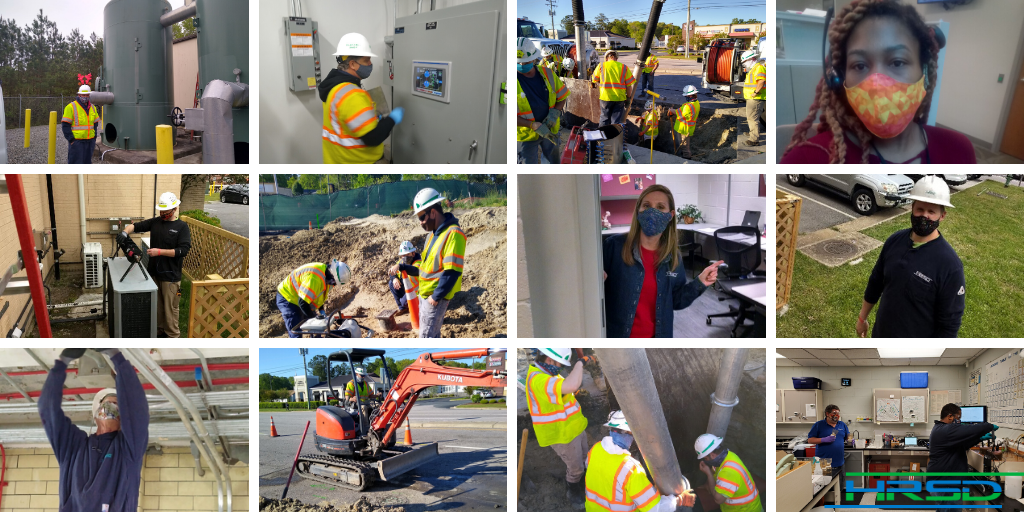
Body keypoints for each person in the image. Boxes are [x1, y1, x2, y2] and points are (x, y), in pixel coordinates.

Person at [781, 0, 974, 164]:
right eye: (859, 65)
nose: (877, 85)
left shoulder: (958, 151)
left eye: (897, 62)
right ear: (838, 80)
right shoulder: (805, 159)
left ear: (924, 72)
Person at [603, 185, 723, 338]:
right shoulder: (614, 247)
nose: (653, 212)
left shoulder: (673, 257)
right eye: (646, 206)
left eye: (660, 207)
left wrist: (700, 282)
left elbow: (676, 301)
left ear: (670, 215)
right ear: (638, 211)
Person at [39, 349, 148, 512]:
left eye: (116, 405)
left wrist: (116, 357)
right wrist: (62, 362)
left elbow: (137, 410)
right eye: (105, 404)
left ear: (124, 419)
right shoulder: (73, 447)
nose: (109, 408)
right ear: (96, 414)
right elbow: (47, 409)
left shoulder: (128, 450)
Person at [857, 176, 965, 338]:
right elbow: (876, 282)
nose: (924, 216)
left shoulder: (950, 265)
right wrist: (862, 318)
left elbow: (949, 325)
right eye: (920, 209)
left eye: (931, 211)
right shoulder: (894, 241)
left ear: (942, 216)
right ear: (912, 208)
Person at [388, 188, 466, 338]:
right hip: (424, 295)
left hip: (435, 297)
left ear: (433, 212)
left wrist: (435, 297)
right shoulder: (432, 235)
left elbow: (452, 271)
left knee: (426, 337)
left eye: (422, 217)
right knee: (430, 334)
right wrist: (403, 267)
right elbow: (425, 268)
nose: (420, 222)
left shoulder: (453, 234)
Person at [585, 411, 696, 512]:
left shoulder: (596, 449)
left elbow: (592, 469)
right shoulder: (631, 469)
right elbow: (654, 509)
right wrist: (678, 500)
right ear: (630, 433)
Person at [320, 33, 405, 164]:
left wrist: (370, 119)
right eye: (366, 60)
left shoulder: (334, 86)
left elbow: (346, 120)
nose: (370, 64)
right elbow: (373, 138)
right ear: (352, 64)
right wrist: (391, 119)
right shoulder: (352, 94)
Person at [526, 349, 594, 510]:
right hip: (561, 435)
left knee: (586, 459)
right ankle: (573, 491)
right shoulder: (538, 379)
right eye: (560, 364)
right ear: (550, 360)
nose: (561, 369)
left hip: (574, 427)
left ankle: (586, 484)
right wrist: (580, 363)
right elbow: (571, 384)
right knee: (575, 468)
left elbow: (566, 391)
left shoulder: (549, 374)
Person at [120, 192, 191, 338]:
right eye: (161, 211)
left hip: (170, 276)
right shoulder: (156, 222)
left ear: (175, 209)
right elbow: (136, 226)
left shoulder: (181, 227)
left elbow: (183, 251)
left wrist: (160, 252)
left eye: (166, 212)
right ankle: (159, 332)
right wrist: (125, 232)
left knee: (170, 309)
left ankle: (172, 335)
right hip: (154, 273)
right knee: (157, 307)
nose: (163, 214)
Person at [928, 403, 998, 510]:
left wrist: (980, 439)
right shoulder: (945, 430)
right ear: (950, 416)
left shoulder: (941, 429)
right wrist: (989, 426)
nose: (959, 421)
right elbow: (970, 429)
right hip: (946, 484)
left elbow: (962, 446)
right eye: (958, 418)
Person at [517, 38, 569, 164]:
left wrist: (554, 114)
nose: (522, 66)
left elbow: (562, 97)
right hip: (526, 136)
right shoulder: (507, 81)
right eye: (519, 63)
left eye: (526, 62)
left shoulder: (548, 73)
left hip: (550, 128)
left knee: (553, 162)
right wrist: (531, 125)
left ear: (534, 59)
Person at [276, 259, 352, 338]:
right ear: (333, 276)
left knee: (317, 329)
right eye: (335, 282)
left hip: (302, 299)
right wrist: (314, 320)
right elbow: (302, 303)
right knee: (296, 330)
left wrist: (322, 311)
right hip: (287, 297)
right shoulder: (314, 278)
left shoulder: (327, 277)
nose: (334, 285)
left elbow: (318, 296)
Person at [694, 434, 762, 512]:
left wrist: (708, 474)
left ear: (712, 455)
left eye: (705, 458)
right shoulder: (727, 456)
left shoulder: (728, 472)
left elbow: (718, 500)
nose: (706, 461)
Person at [807, 405, 849, 500]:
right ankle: (823, 507)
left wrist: (851, 439)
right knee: (822, 489)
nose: (836, 415)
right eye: (834, 413)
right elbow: (810, 440)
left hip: (839, 462)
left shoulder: (842, 425)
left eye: (838, 413)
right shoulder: (818, 425)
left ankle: (836, 507)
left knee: (839, 487)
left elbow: (847, 437)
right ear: (827, 414)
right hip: (823, 462)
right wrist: (823, 440)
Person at [591, 49, 636, 127]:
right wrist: (628, 98)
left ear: (606, 58)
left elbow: (594, 80)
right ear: (616, 58)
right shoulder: (624, 67)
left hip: (605, 97)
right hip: (619, 98)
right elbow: (629, 86)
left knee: (604, 118)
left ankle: (602, 137)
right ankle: (613, 138)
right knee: (615, 121)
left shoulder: (601, 65)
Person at [62, 84, 99, 164]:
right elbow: (65, 125)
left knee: (87, 163)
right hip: (77, 142)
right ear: (79, 95)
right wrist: (71, 140)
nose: (85, 97)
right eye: (83, 95)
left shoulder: (93, 107)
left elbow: (95, 124)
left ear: (89, 95)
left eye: (87, 95)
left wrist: (94, 137)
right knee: (76, 163)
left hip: (90, 141)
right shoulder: (71, 107)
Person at [741, 50, 765, 147]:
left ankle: (754, 139)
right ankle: (752, 133)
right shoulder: (754, 68)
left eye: (745, 61)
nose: (744, 64)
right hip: (753, 98)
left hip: (756, 98)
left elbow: (761, 81)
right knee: (751, 117)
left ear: (752, 59)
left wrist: (755, 92)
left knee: (752, 118)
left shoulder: (759, 68)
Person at [668, 85, 700, 158]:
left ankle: (687, 158)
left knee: (684, 146)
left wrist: (671, 110)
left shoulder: (688, 106)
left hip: (684, 129)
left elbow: (679, 113)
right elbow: (681, 110)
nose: (686, 97)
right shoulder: (695, 103)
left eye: (686, 95)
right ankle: (684, 155)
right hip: (687, 128)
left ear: (691, 95)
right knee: (683, 144)